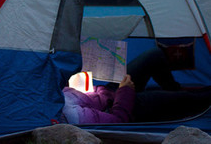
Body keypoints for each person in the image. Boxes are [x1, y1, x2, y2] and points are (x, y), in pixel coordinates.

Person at [62, 47, 211, 124]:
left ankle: (173, 92)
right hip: (125, 106)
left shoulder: (48, 93)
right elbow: (118, 121)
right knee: (191, 99)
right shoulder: (72, 116)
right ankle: (180, 100)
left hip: (110, 92)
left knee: (153, 55)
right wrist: (125, 90)